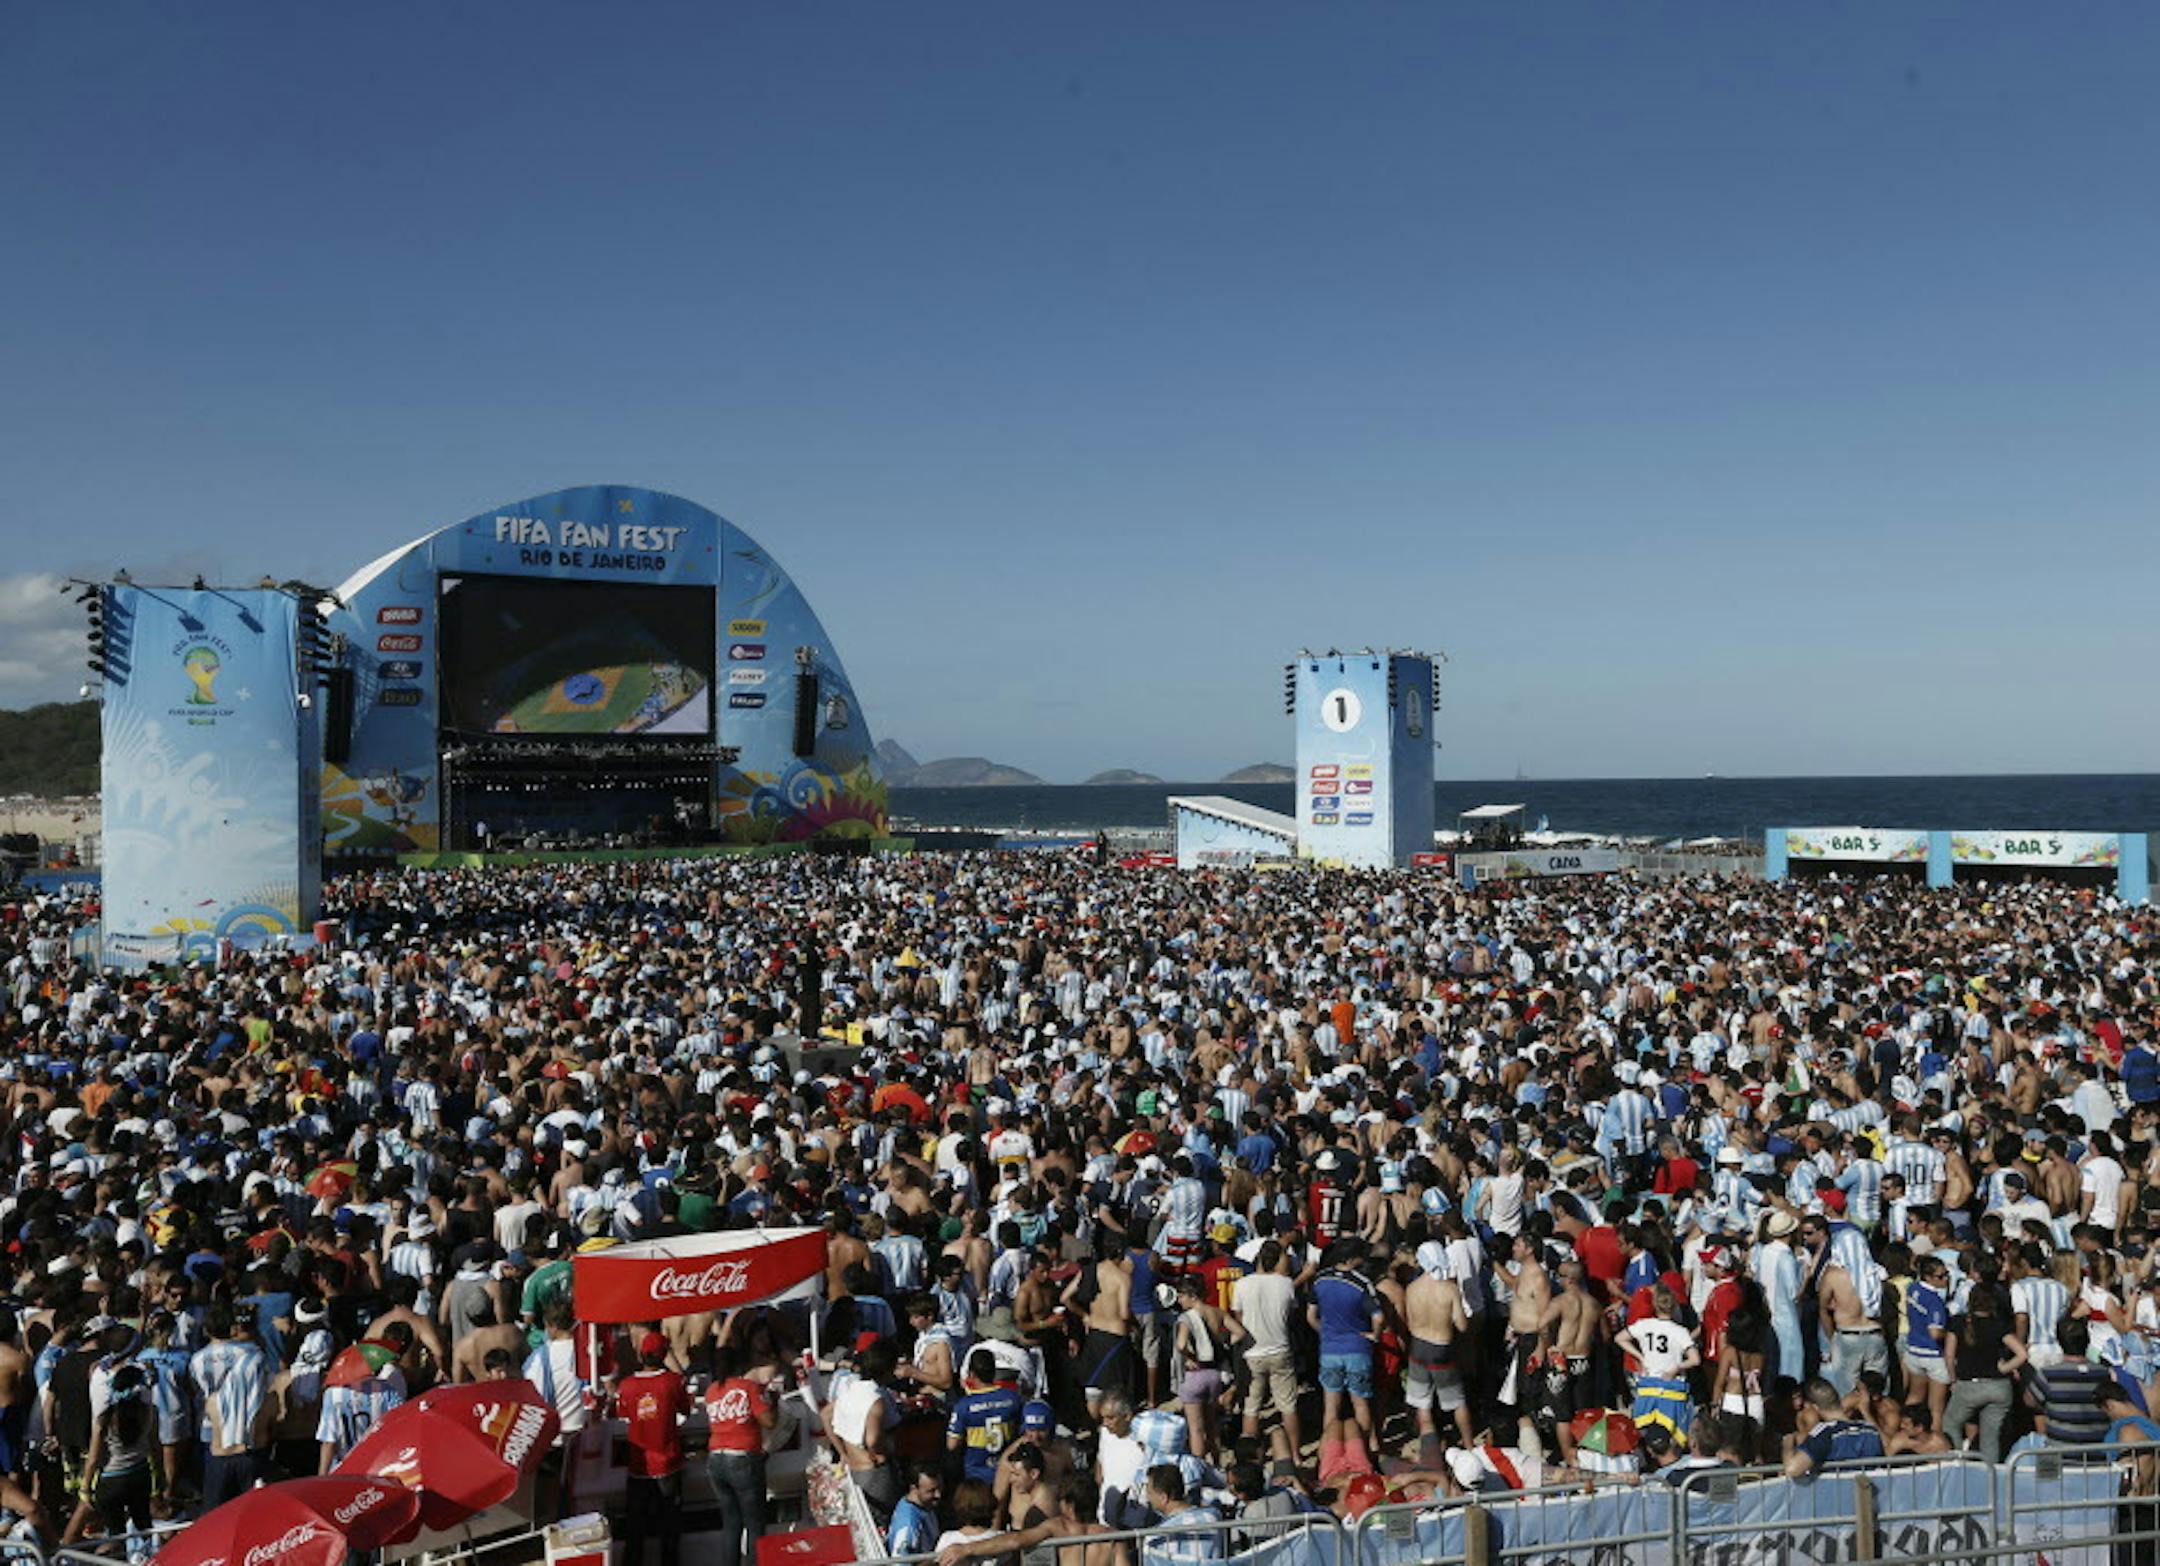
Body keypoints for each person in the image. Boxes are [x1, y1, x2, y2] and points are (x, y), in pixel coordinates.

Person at [616, 1333, 687, 1566]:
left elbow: (623, 1417)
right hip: (668, 1463)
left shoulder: (626, 1386)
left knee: (635, 1527)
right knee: (670, 1527)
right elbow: (685, 1411)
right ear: (664, 1355)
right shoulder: (673, 1382)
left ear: (640, 1355)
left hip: (638, 1466)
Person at [706, 1340, 778, 1566]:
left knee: (731, 1523)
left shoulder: (711, 1391)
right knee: (755, 1524)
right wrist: (772, 1402)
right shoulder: (748, 1387)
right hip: (743, 1459)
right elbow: (769, 1421)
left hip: (716, 1459)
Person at [1784, 1378, 1887, 1478]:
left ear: (1815, 1407)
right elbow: (1888, 1451)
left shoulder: (1825, 1433)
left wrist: (1788, 1443)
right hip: (1867, 1493)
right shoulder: (1870, 1430)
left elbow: (1792, 1469)